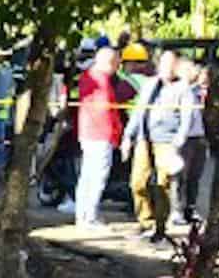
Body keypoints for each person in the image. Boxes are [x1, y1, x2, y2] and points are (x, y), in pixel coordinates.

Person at [137, 48, 209, 242]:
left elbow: (187, 118)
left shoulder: (183, 89)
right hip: (145, 138)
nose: (167, 68)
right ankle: (145, 221)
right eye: (164, 63)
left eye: (171, 64)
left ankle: (159, 227)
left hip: (168, 141)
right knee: (138, 182)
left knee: (165, 183)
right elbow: (139, 111)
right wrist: (130, 136)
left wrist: (178, 141)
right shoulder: (150, 85)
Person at [70, 39, 129, 227]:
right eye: (117, 63)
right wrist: (117, 133)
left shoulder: (87, 77)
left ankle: (83, 215)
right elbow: (107, 111)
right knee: (96, 177)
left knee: (87, 176)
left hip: (88, 132)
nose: (118, 67)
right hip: (101, 134)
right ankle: (89, 217)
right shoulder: (101, 80)